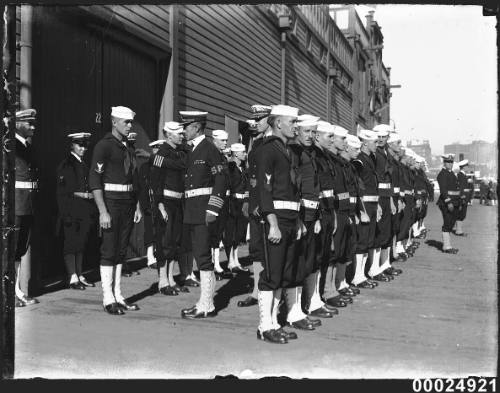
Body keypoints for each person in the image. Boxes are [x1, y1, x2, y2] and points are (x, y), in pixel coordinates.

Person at [256, 104, 309, 344]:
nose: (295, 127)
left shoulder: (286, 150)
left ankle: (275, 322)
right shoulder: (268, 150)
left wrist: (297, 220)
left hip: (289, 219)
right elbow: (264, 191)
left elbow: (292, 190)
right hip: (275, 220)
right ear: (278, 123)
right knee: (272, 274)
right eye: (292, 123)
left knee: (283, 273)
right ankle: (264, 326)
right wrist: (273, 224)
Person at [88, 106, 142, 315]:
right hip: (111, 203)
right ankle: (107, 298)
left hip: (127, 203)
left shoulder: (126, 147)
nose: (129, 126)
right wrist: (102, 211)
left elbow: (132, 179)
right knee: (109, 250)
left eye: (131, 122)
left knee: (121, 250)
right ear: (114, 122)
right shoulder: (104, 146)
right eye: (126, 122)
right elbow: (95, 179)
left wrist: (136, 205)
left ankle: (118, 295)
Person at [179, 111, 228, 319]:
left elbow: (222, 179)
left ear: (197, 127)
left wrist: (213, 209)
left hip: (204, 211)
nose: (184, 130)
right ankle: (203, 301)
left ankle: (207, 304)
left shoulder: (209, 149)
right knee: (199, 255)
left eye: (187, 126)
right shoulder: (191, 150)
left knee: (203, 257)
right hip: (191, 210)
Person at [288, 115, 333, 322]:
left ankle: (311, 301)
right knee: (298, 262)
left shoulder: (309, 153)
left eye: (314, 132)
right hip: (300, 215)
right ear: (296, 130)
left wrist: (315, 217)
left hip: (312, 214)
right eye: (307, 131)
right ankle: (294, 310)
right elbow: (293, 186)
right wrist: (299, 218)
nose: (311, 136)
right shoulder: (293, 152)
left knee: (312, 259)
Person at [237, 104, 273, 308]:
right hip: (254, 201)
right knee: (256, 248)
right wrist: (247, 200)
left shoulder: (272, 143)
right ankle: (257, 290)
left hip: (265, 203)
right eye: (255, 119)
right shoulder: (256, 142)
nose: (256, 123)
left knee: (269, 249)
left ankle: (269, 289)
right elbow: (250, 175)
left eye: (260, 119)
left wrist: (261, 202)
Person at [149, 122, 190, 295]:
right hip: (165, 202)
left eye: (182, 133)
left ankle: (171, 278)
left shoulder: (180, 152)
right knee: (164, 242)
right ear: (169, 135)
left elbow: (185, 164)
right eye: (178, 133)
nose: (182, 136)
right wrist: (159, 205)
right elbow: (155, 182)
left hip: (178, 202)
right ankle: (162, 281)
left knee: (175, 242)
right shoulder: (161, 153)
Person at [56, 132, 97, 290]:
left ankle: (79, 274)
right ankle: (72, 276)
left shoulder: (83, 164)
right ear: (72, 145)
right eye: (80, 144)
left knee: (81, 243)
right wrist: (65, 213)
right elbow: (62, 192)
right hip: (72, 210)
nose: (83, 148)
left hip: (84, 210)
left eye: (85, 145)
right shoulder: (67, 164)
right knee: (71, 243)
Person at [324, 125, 359, 306]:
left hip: (343, 210)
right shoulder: (330, 161)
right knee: (332, 252)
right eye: (342, 139)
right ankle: (328, 290)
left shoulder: (340, 163)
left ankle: (334, 286)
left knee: (340, 250)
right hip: (335, 210)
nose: (344, 143)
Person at [354, 129, 390, 283]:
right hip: (365, 205)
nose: (378, 144)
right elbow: (357, 186)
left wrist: (378, 205)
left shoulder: (371, 158)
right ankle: (357, 276)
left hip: (373, 204)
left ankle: (365, 273)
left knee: (370, 240)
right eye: (374, 142)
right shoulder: (360, 160)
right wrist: (361, 209)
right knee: (363, 241)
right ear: (364, 143)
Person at [14, 109, 40, 307]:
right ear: (17, 123)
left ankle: (16, 290)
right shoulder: (10, 146)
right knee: (11, 250)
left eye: (33, 123)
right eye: (28, 123)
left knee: (20, 250)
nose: (32, 126)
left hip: (27, 206)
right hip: (15, 207)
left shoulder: (27, 147)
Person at [343, 134, 375, 289]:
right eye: (355, 149)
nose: (358, 151)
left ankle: (358, 276)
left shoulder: (353, 165)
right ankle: (352, 277)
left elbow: (357, 191)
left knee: (361, 242)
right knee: (354, 244)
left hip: (356, 208)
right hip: (347, 210)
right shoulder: (353, 165)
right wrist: (358, 211)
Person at [372, 124, 400, 278]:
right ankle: (375, 267)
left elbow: (388, 180)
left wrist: (390, 201)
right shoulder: (375, 154)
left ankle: (384, 264)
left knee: (386, 232)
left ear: (388, 138)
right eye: (379, 137)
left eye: (384, 137)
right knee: (379, 233)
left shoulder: (385, 154)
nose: (381, 140)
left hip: (386, 196)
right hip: (377, 196)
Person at [208, 129, 233, 280]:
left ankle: (217, 263)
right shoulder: (211, 155)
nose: (225, 143)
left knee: (218, 232)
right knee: (211, 233)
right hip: (212, 199)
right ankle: (211, 264)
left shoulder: (223, 158)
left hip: (223, 199)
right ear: (214, 140)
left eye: (226, 140)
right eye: (222, 141)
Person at [223, 143, 250, 273]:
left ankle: (236, 260)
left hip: (241, 202)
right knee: (230, 233)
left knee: (239, 233)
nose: (245, 154)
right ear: (236, 154)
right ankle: (230, 261)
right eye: (243, 152)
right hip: (232, 202)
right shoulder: (230, 167)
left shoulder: (243, 169)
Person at [436, 153, 460, 254]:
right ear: (444, 163)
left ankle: (448, 245)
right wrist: (448, 202)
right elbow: (443, 190)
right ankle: (446, 246)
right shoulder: (442, 174)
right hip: (447, 203)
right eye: (448, 162)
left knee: (451, 223)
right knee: (447, 223)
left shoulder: (451, 173)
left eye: (451, 162)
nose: (450, 164)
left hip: (454, 202)